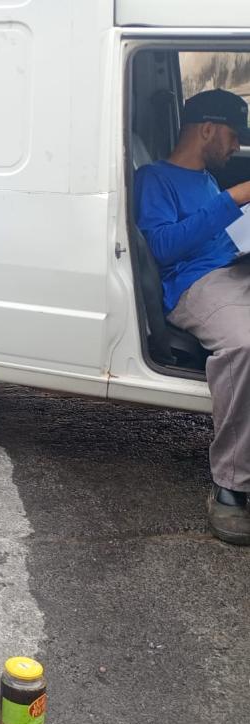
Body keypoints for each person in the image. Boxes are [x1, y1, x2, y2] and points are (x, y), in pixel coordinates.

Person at [135, 88, 250, 545]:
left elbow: (217, 233)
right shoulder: (154, 179)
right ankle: (231, 486)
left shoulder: (205, 179)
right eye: (233, 135)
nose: (237, 146)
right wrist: (235, 197)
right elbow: (162, 247)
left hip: (233, 267)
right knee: (244, 345)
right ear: (207, 130)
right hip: (195, 285)